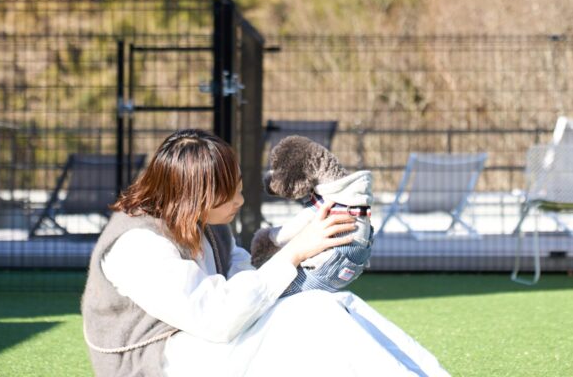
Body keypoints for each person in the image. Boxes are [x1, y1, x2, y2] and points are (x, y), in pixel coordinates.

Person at [81, 129, 449, 377]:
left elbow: (245, 276)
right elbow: (217, 319)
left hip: (199, 342)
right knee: (313, 323)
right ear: (194, 196)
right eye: (230, 194)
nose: (240, 200)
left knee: (328, 305)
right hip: (156, 364)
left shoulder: (206, 222)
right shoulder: (137, 245)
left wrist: (296, 238)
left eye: (239, 186)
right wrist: (293, 256)